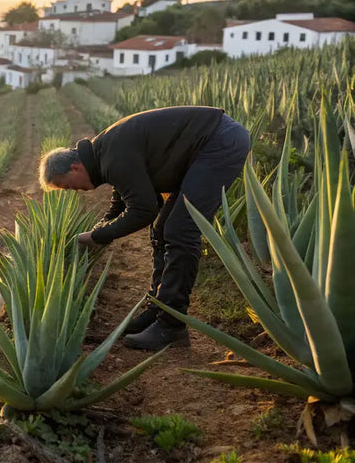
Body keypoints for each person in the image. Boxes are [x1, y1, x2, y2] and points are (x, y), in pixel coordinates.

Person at [39, 106, 251, 350]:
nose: (74, 191)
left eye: (68, 186)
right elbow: (123, 195)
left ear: (75, 168)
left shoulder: (111, 155)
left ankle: (172, 326)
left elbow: (143, 210)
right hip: (205, 144)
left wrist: (98, 236)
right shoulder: (103, 152)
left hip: (218, 142)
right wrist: (102, 227)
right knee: (161, 230)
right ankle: (158, 310)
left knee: (181, 231)